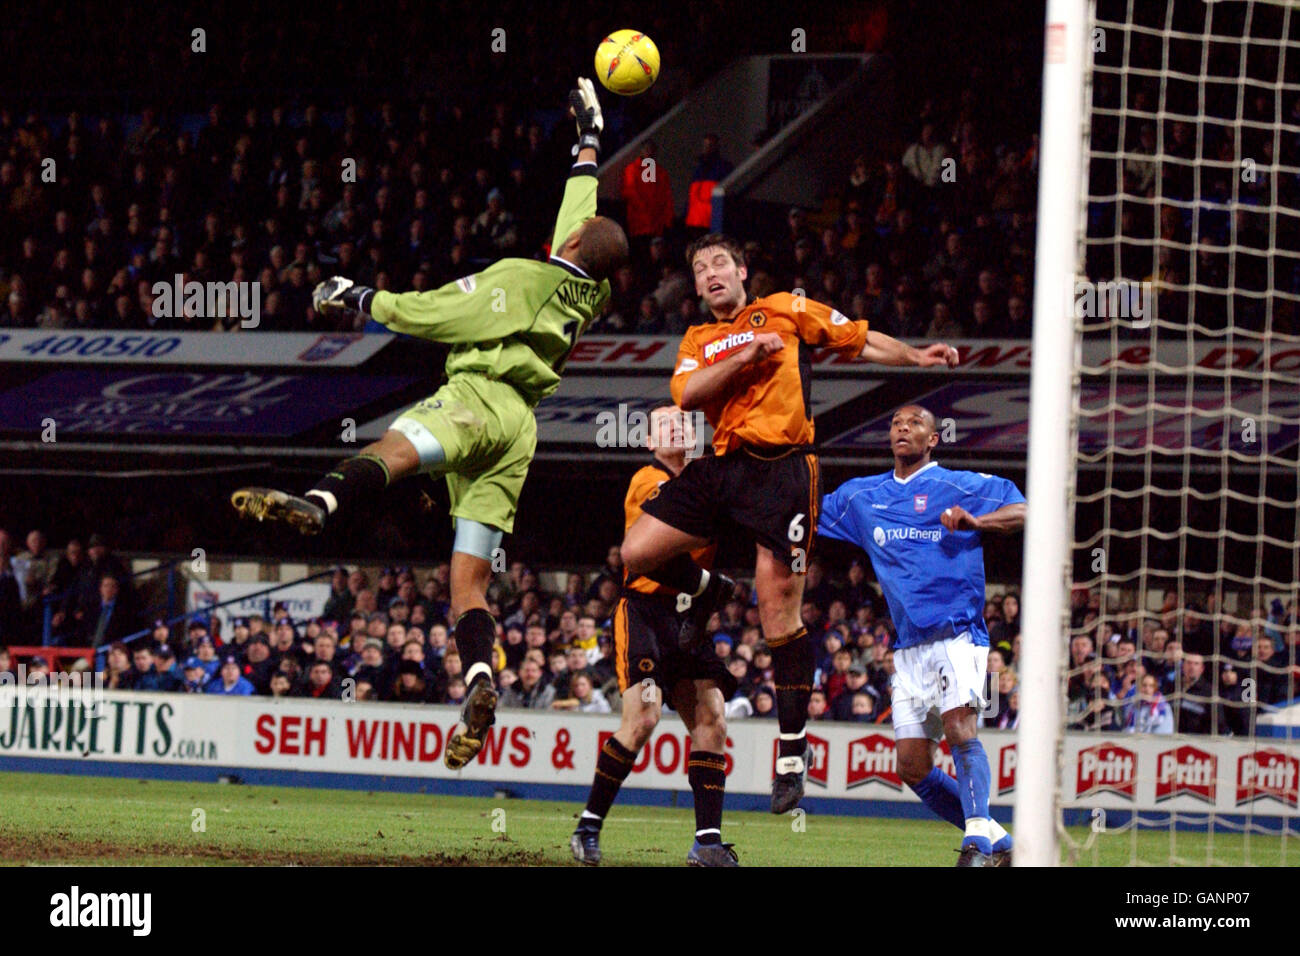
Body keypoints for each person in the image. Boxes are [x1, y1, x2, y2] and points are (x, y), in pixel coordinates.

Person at [230, 79, 627, 770]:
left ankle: (320, 503)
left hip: (478, 397)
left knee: (394, 446)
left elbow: (434, 312)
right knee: (466, 583)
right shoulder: (588, 289)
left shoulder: (519, 278)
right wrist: (588, 140)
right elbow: (583, 211)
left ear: (573, 240)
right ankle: (480, 680)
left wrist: (355, 295)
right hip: (520, 431)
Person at [618, 233, 959, 814]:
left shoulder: (784, 307)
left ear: (743, 269)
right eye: (699, 269)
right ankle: (709, 589)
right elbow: (687, 394)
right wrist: (746, 354)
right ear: (697, 287)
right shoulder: (700, 339)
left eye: (720, 262)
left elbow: (857, 337)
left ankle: (793, 754)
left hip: (784, 472)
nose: (710, 273)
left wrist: (914, 357)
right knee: (636, 553)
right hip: (724, 466)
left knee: (778, 614)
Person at [817, 404, 1025, 866]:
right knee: (912, 766)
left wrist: (978, 522)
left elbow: (1024, 510)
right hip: (908, 648)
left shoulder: (962, 486)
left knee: (959, 727)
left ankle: (975, 846)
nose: (902, 428)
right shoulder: (862, 497)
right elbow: (805, 514)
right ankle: (1002, 845)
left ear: (933, 439)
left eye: (914, 423)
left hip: (961, 635)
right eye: (895, 423)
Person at [572, 406, 739, 867]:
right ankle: (588, 825)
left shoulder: (706, 479)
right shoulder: (649, 480)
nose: (678, 428)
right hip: (645, 611)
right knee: (643, 720)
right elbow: (655, 557)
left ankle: (707, 842)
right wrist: (711, 584)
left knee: (712, 720)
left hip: (687, 615)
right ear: (649, 441)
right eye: (666, 425)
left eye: (685, 423)